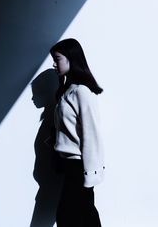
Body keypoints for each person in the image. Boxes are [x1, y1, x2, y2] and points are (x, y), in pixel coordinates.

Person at [50, 38, 105, 227]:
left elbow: (91, 134)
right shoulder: (66, 92)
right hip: (67, 165)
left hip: (79, 166)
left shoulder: (82, 92)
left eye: (57, 59)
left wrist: (90, 173)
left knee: (70, 216)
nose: (55, 64)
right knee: (82, 215)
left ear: (71, 59)